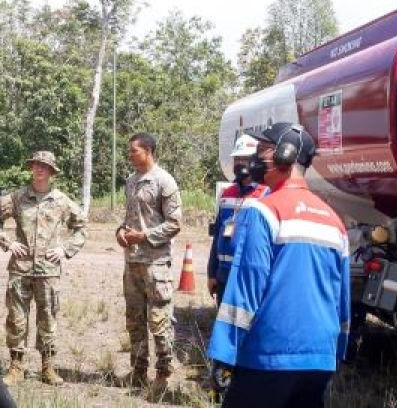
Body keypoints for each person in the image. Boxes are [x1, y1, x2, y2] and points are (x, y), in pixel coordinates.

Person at [207, 123, 350, 408]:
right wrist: (336, 351)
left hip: (269, 354)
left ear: (286, 155)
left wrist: (224, 353)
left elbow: (246, 288)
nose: (255, 160)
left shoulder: (265, 211)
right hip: (319, 358)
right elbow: (342, 300)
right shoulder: (334, 221)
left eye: (263, 151)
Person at [0, 150, 87, 386]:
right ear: (31, 168)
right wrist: (8, 242)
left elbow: (81, 226)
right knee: (17, 319)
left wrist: (65, 250)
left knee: (48, 319)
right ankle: (16, 366)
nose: (40, 169)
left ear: (52, 172)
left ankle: (48, 367)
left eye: (45, 166)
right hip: (20, 269)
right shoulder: (18, 197)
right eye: (36, 165)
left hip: (48, 271)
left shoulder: (61, 201)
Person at [115, 132, 182, 396]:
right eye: (129, 150)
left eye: (134, 150)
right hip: (132, 262)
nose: (130, 155)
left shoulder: (164, 181)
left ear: (149, 151)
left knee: (160, 320)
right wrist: (121, 232)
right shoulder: (131, 182)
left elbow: (175, 223)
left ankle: (163, 374)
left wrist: (144, 236)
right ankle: (139, 371)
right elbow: (131, 217)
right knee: (135, 319)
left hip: (156, 263)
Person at [207, 134, 271, 304]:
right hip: (223, 275)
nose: (239, 163)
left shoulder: (266, 193)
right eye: (237, 159)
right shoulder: (227, 194)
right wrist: (211, 273)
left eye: (245, 158)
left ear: (256, 161)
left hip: (248, 275)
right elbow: (217, 237)